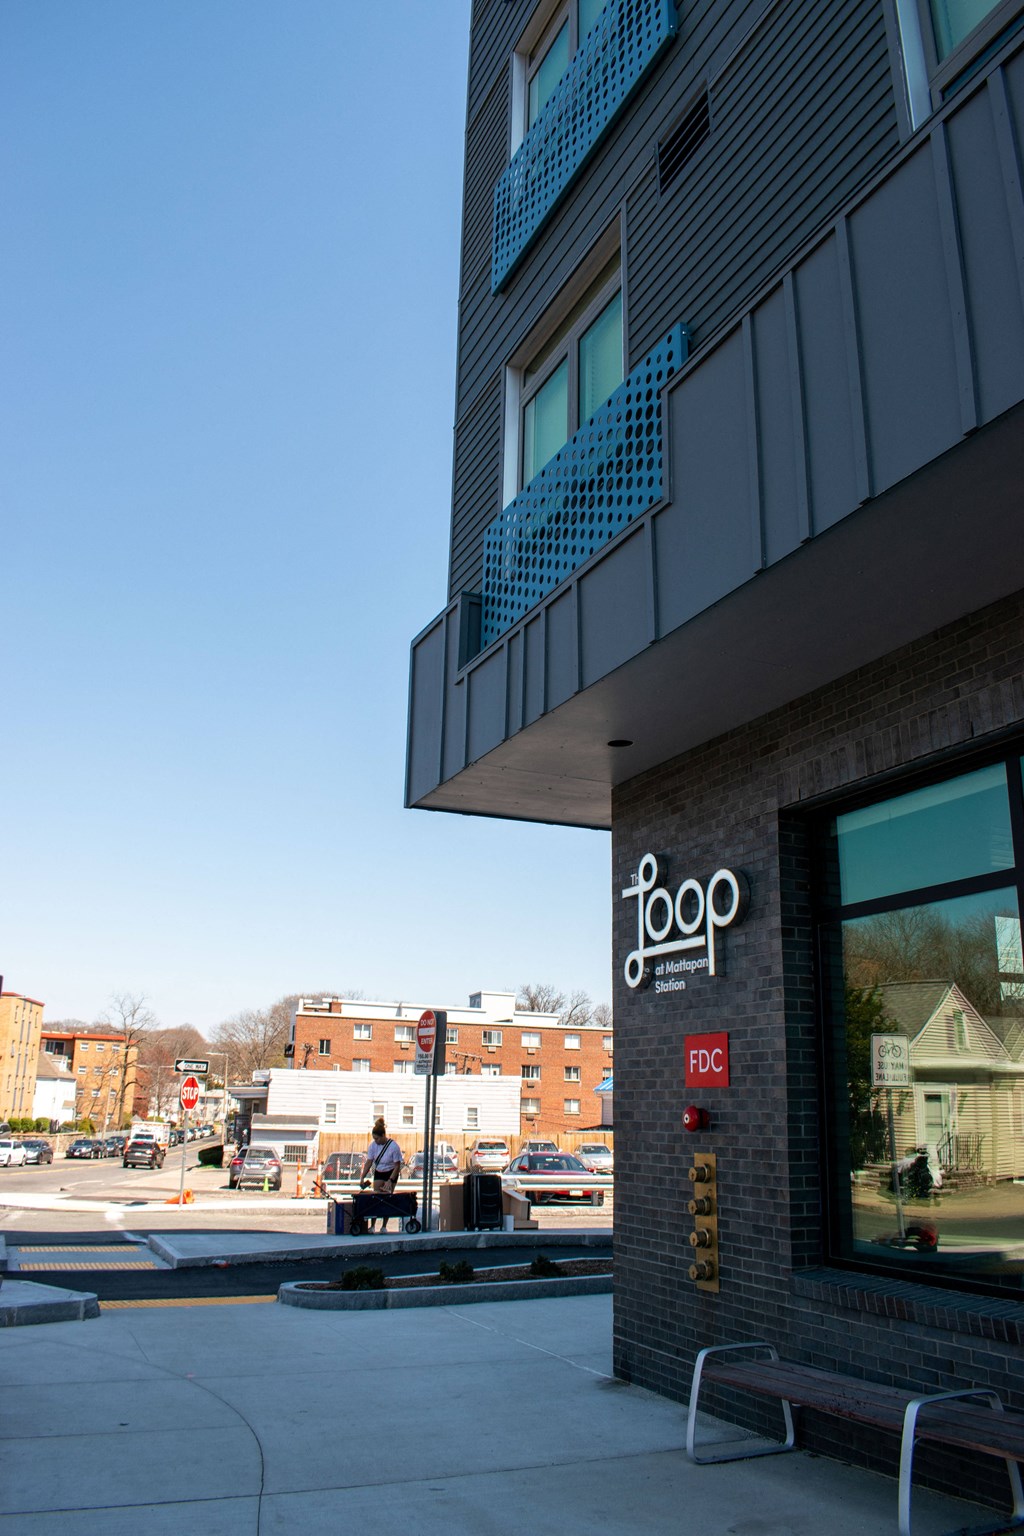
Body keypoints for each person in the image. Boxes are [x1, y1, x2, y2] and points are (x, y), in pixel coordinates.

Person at [359, 1117, 403, 1233]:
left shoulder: (393, 1146)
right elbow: (369, 1161)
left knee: (387, 1197)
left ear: (383, 1135)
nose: (376, 1141)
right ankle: (372, 1225)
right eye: (374, 1139)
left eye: (377, 1138)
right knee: (376, 1197)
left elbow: (397, 1165)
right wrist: (362, 1176)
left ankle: (384, 1226)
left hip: (391, 1171)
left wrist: (390, 1180)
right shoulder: (373, 1146)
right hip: (379, 1170)